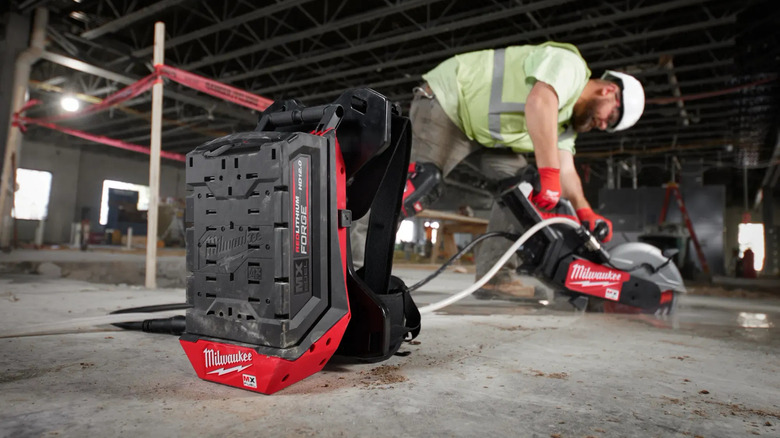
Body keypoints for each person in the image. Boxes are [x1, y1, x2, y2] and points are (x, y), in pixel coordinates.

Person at [402, 41, 645, 298]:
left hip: (484, 136)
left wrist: (584, 208)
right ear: (609, 91)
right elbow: (541, 102)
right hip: (450, 102)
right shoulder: (570, 65)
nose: (603, 125)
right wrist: (548, 172)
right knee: (416, 186)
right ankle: (359, 271)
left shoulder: (566, 123)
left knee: (523, 189)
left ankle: (494, 279)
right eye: (611, 118)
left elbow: (565, 168)